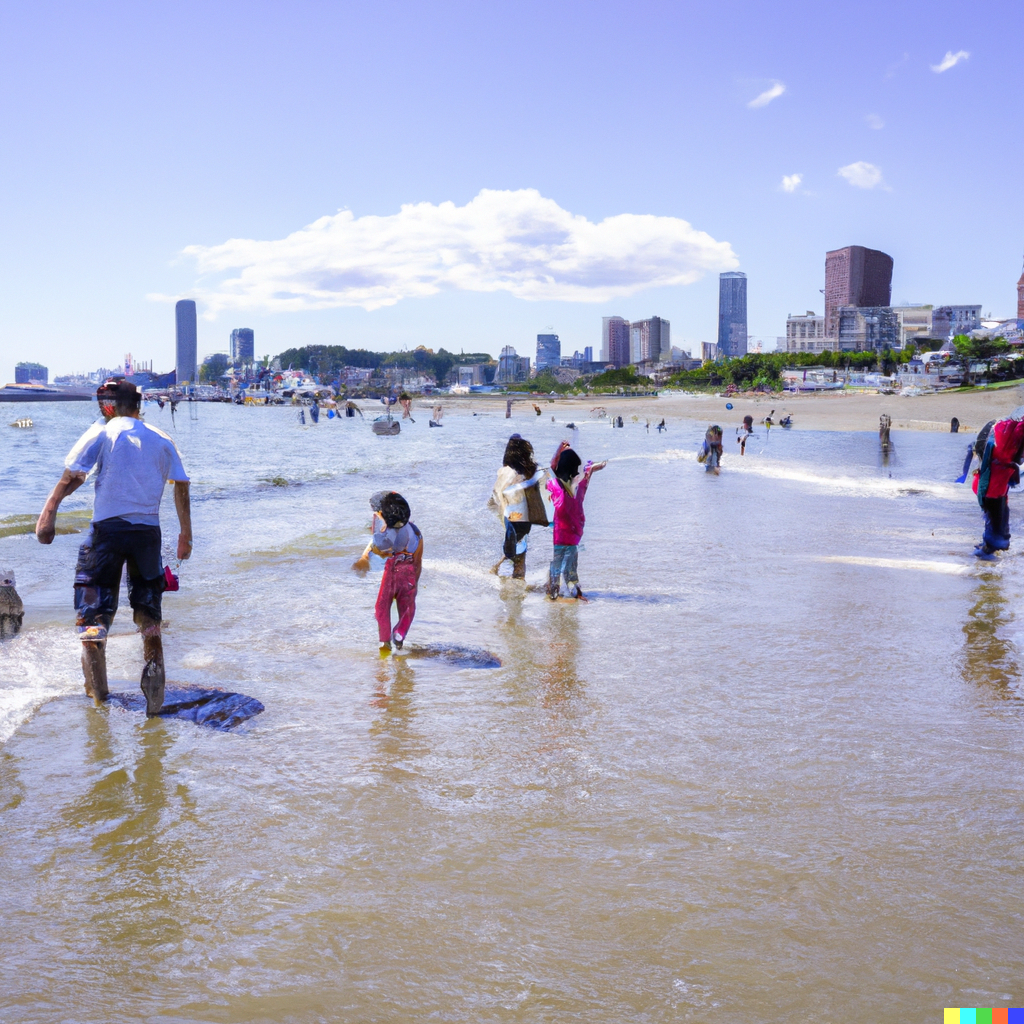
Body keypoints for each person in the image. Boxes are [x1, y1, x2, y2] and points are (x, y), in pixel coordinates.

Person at [35, 380, 192, 714]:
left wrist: (48, 513)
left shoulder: (104, 432)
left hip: (106, 532)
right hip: (147, 534)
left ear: (108, 406)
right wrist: (185, 535)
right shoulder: (162, 438)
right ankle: (154, 696)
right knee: (149, 616)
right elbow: (181, 485)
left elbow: (74, 475)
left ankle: (99, 698)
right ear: (139, 405)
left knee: (93, 612)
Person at [353, 492, 422, 654]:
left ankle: (384, 642)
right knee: (407, 606)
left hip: (392, 570)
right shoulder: (414, 530)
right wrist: (416, 580)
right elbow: (418, 558)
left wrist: (366, 556)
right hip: (409, 570)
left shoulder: (386, 533)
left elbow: (379, 546)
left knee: (382, 606)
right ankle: (399, 634)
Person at [545, 441, 606, 600]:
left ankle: (553, 590)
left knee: (557, 561)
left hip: (560, 533)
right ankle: (575, 590)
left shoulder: (554, 485)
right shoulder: (579, 487)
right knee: (572, 561)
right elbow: (587, 473)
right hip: (575, 532)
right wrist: (592, 467)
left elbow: (552, 468)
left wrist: (559, 449)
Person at [972, 415, 1024, 560]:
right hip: (992, 490)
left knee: (996, 521)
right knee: (997, 526)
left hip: (991, 488)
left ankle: (987, 551)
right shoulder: (1010, 437)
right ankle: (986, 555)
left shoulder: (1005, 433)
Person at [490, 434, 541, 579]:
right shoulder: (530, 470)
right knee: (519, 546)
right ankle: (516, 584)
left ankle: (512, 585)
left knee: (514, 543)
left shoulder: (505, 471)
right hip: (524, 516)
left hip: (511, 515)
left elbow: (497, 493)